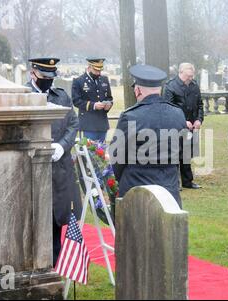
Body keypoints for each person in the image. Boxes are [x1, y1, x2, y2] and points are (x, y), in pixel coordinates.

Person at [26, 58, 82, 266]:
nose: (48, 81)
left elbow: (73, 123)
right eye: (44, 77)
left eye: (51, 77)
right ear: (33, 73)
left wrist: (63, 145)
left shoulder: (61, 96)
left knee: (56, 217)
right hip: (31, 167)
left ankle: (55, 265)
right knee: (34, 218)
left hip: (58, 167)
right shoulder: (22, 95)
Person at [110, 64, 187, 207]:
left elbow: (117, 157)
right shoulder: (178, 113)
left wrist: (119, 180)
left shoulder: (130, 116)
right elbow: (185, 151)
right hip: (169, 189)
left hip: (136, 190)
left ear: (138, 90)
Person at [163, 63, 204, 189]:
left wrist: (199, 120)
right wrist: (182, 121)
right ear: (181, 72)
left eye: (191, 76)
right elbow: (167, 108)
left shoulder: (194, 85)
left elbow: (200, 105)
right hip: (175, 126)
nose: (190, 79)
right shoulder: (170, 86)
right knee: (175, 154)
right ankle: (174, 182)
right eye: (188, 77)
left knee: (187, 154)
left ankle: (187, 181)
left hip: (191, 127)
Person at [72, 57, 113, 143]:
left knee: (101, 152)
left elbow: (109, 98)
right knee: (90, 152)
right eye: (96, 70)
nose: (98, 73)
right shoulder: (79, 81)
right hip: (88, 123)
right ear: (89, 67)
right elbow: (76, 101)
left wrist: (109, 105)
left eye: (100, 70)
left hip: (102, 122)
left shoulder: (104, 79)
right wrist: (93, 105)